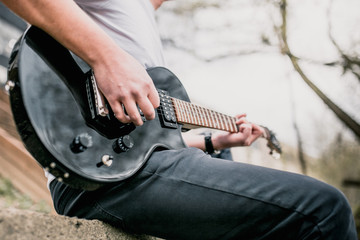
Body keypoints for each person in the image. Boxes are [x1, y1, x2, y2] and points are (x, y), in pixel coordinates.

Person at [1, 0, 357, 239]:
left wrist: (213, 140)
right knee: (324, 210)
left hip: (134, 163)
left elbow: (137, 138)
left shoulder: (139, 13)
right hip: (99, 176)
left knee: (223, 156)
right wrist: (107, 57)